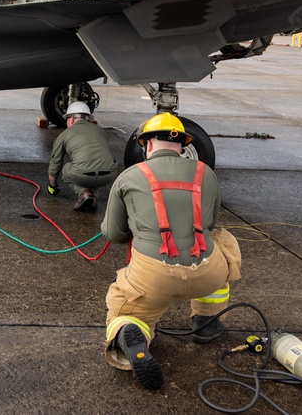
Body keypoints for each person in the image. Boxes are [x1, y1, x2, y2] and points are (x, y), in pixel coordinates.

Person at [100, 113, 242, 390]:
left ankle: (132, 332)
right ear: (182, 146)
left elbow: (114, 234)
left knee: (123, 307)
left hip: (154, 278)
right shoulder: (206, 173)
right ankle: (207, 322)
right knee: (223, 242)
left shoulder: (129, 176)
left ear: (147, 145)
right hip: (208, 273)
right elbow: (209, 224)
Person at [47, 101, 117, 211]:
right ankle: (94, 197)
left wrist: (52, 186)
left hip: (82, 174)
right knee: (100, 164)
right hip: (108, 175)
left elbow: (55, 163)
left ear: (71, 119)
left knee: (65, 168)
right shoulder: (100, 130)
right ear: (88, 118)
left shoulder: (65, 134)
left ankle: (84, 193)